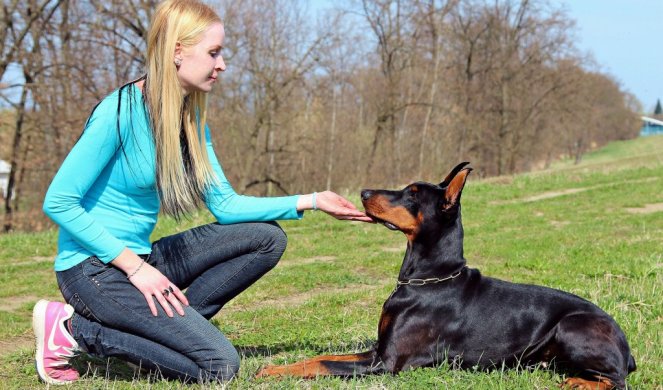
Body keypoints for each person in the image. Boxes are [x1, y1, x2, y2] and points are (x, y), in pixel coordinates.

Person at [32, 0, 371, 385]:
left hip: (143, 261)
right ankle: (73, 331)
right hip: (92, 271)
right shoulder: (119, 112)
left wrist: (312, 200)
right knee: (219, 366)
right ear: (178, 51)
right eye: (214, 52)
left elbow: (225, 205)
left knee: (267, 238)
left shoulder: (190, 121)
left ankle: (172, 331)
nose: (222, 64)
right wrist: (136, 269)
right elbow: (58, 200)